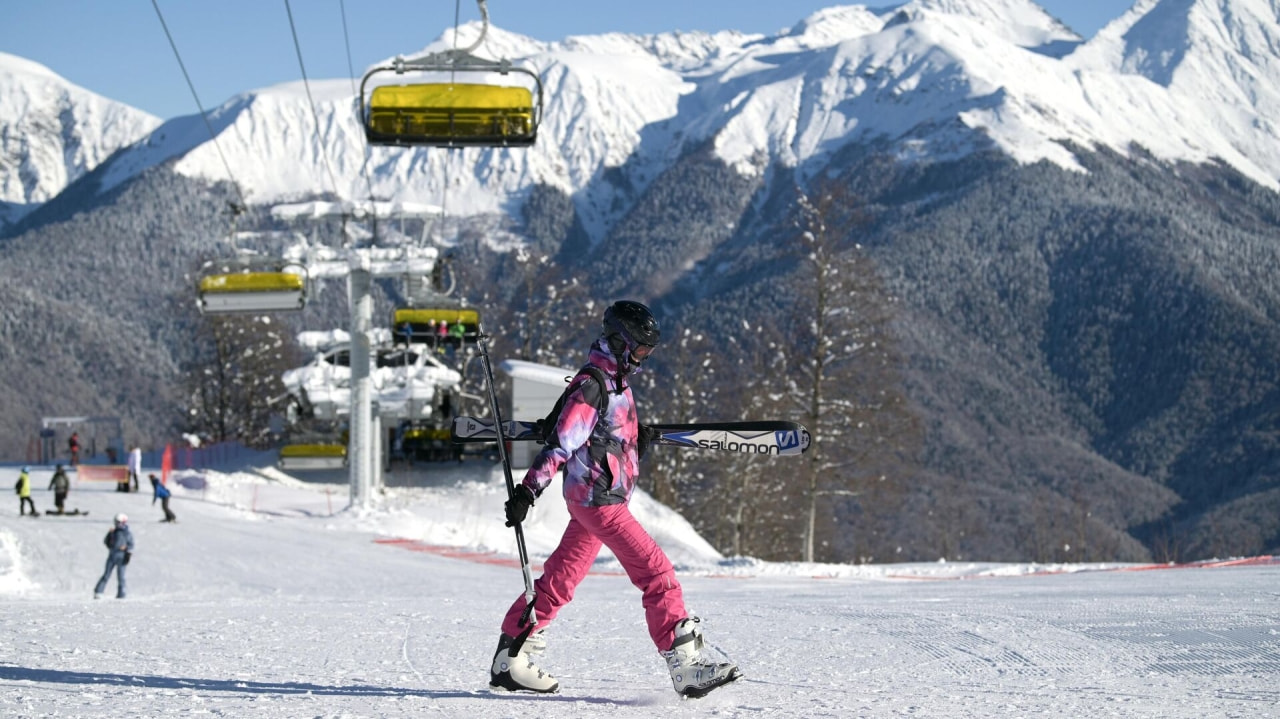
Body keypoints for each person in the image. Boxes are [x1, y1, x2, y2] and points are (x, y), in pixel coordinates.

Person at [488, 300, 739, 698]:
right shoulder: (594, 385)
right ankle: (685, 664)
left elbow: (603, 440)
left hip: (596, 500)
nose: (644, 357)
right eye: (640, 349)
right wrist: (527, 491)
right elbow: (562, 445)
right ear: (621, 341)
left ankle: (510, 658)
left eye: (648, 351)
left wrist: (637, 443)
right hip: (599, 503)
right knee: (657, 575)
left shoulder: (615, 382)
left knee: (559, 581)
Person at [95, 513, 134, 599]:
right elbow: (107, 542)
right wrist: (109, 535)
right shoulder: (113, 532)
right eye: (116, 522)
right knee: (106, 574)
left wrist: (127, 551)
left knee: (121, 576)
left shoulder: (127, 533)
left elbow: (131, 545)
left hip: (122, 556)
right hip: (112, 555)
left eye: (119, 522)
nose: (118, 524)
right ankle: (99, 591)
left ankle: (122, 593)